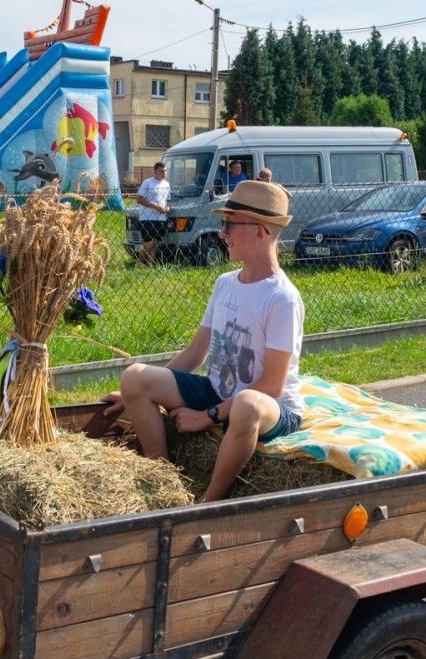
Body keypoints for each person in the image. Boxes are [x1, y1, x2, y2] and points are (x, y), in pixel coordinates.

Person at [104, 180, 305, 503]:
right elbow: (195, 353)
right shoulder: (225, 283)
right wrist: (135, 394)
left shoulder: (282, 298)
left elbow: (271, 386)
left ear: (259, 232)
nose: (222, 232)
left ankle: (207, 503)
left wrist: (208, 416)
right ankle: (163, 483)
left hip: (273, 409)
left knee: (247, 404)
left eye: (229, 224)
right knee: (135, 376)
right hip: (220, 390)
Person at [134, 161, 171, 265]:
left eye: (165, 171)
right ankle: (140, 264)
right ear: (155, 171)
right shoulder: (148, 182)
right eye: (161, 171)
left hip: (161, 218)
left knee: (155, 245)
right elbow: (139, 199)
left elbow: (168, 202)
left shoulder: (167, 184)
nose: (164, 173)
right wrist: (155, 206)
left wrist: (167, 209)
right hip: (147, 218)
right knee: (149, 244)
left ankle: (150, 266)